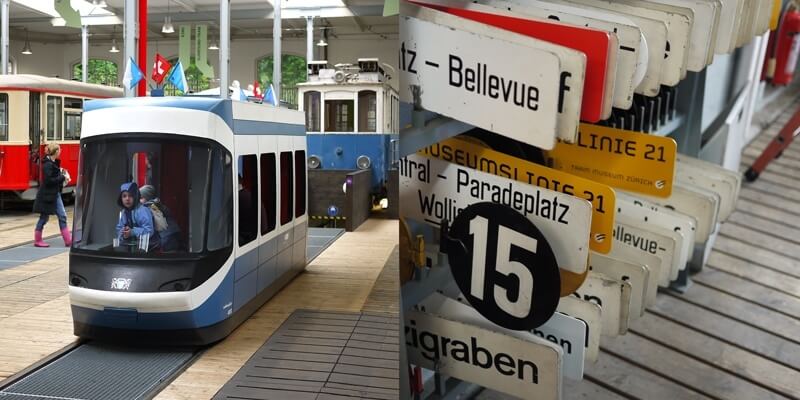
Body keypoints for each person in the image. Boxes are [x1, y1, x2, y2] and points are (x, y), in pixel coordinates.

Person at [32, 143, 71, 247]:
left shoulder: (52, 162)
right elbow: (49, 180)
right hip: (47, 195)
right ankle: (38, 240)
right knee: (44, 217)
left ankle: (68, 240)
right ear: (56, 151)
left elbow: (54, 176)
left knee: (62, 216)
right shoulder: (48, 165)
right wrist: (62, 177)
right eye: (59, 149)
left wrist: (61, 173)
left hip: (54, 193)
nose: (61, 150)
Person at [139, 185, 181, 251]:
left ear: (147, 197)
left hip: (166, 237)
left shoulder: (149, 207)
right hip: (173, 233)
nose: (139, 200)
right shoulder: (157, 204)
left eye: (141, 198)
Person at [115, 182, 155, 248]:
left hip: (147, 247)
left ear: (135, 197)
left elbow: (149, 231)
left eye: (130, 195)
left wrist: (132, 232)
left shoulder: (143, 210)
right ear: (121, 198)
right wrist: (123, 233)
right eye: (124, 196)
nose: (127, 199)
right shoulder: (123, 212)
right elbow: (119, 229)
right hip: (133, 247)